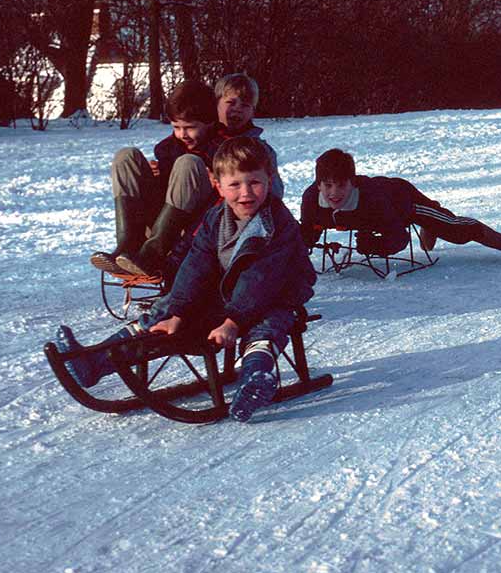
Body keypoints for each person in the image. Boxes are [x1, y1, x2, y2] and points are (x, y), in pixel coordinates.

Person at [54, 136, 316, 422]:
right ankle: (94, 362)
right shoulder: (216, 218)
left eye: (255, 182)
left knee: (268, 325)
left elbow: (261, 279)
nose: (246, 193)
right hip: (229, 292)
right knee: (164, 313)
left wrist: (232, 322)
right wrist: (178, 311)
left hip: (278, 292)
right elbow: (196, 264)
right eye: (234, 185)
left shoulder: (277, 224)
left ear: (270, 179)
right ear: (217, 184)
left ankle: (255, 378)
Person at [300, 149, 501, 264]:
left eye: (341, 185)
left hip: (402, 201)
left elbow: (399, 237)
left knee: (455, 230)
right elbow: (308, 230)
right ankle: (431, 228)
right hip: (370, 218)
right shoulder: (312, 199)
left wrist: (375, 245)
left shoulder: (372, 198)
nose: (334, 193)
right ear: (318, 184)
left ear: (352, 183)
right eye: (327, 185)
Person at [90, 80, 225, 279]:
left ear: (210, 122)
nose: (182, 134)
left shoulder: (223, 149)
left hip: (196, 225)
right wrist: (157, 177)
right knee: (126, 156)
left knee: (188, 162)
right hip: (163, 220)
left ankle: (153, 254)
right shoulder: (168, 148)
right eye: (176, 127)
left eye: (190, 127)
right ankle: (128, 244)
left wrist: (217, 177)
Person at [214, 73, 284, 199]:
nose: (237, 109)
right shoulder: (203, 143)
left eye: (245, 105)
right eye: (231, 102)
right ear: (217, 104)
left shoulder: (262, 151)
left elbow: (275, 194)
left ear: (253, 111)